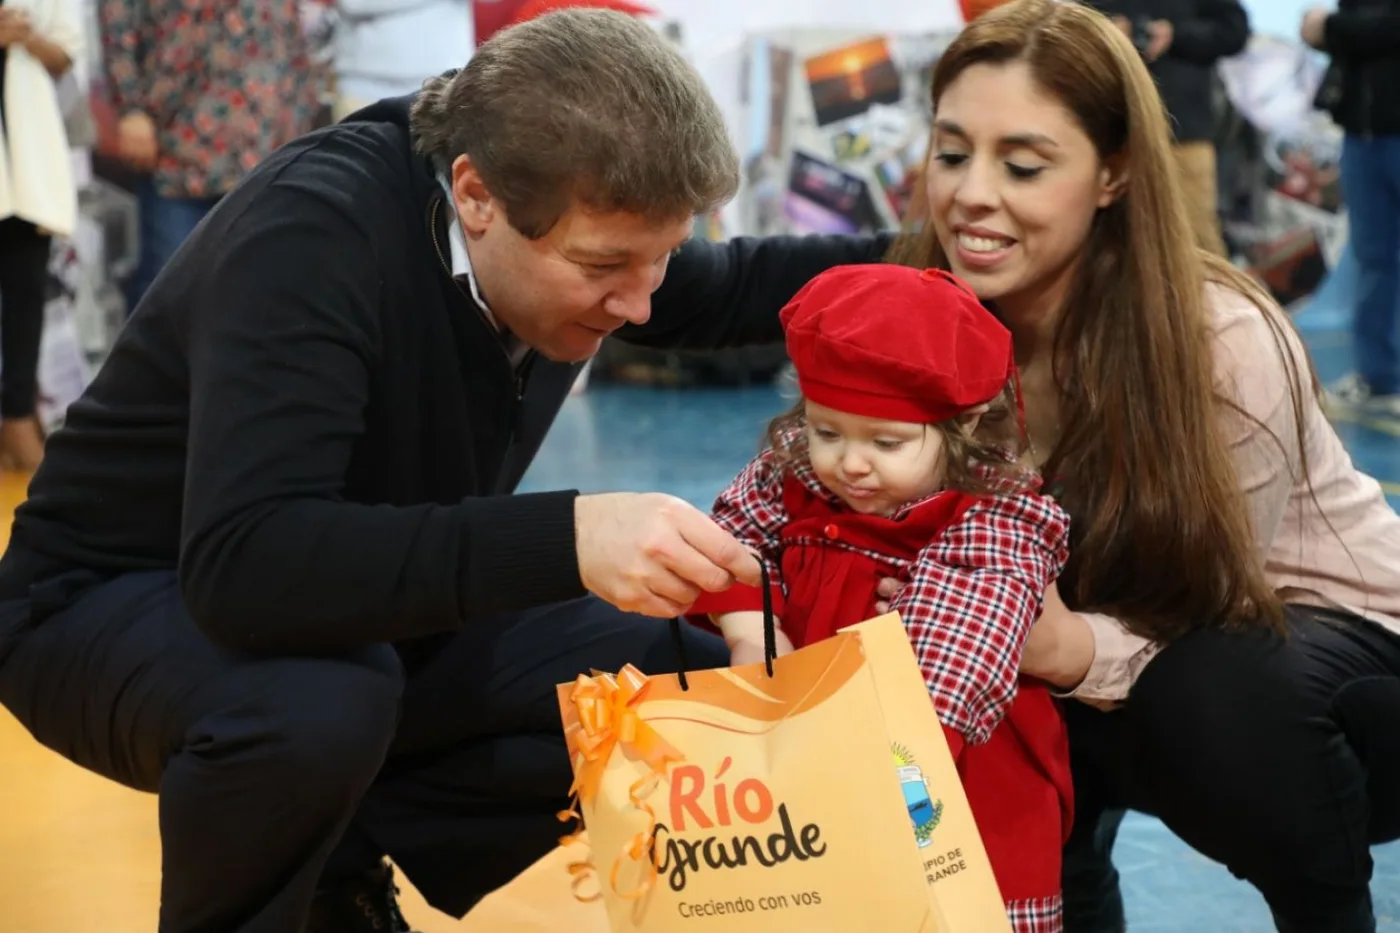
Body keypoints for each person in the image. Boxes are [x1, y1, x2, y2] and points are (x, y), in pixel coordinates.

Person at [0, 10, 892, 933]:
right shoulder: (314, 237)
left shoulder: (555, 205)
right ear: (476, 195)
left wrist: (949, 267)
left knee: (671, 682)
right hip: (112, 599)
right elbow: (247, 564)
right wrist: (570, 535)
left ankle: (331, 858)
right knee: (319, 701)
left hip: (346, 596)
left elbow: (739, 285)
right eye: (606, 266)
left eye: (662, 257)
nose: (640, 301)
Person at [871, 2, 1400, 931]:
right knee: (985, 693)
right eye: (952, 155)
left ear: (1114, 173)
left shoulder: (1219, 339)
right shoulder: (926, 313)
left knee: (1212, 690)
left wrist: (1059, 645)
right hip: (1127, 651)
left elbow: (1203, 602)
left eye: (1023, 164)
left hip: (1331, 656)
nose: (971, 194)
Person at [691, 262, 1074, 932]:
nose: (850, 462)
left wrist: (863, 773)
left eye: (887, 441)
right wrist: (754, 630)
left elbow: (952, 660)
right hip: (809, 758)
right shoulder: (793, 474)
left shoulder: (992, 516)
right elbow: (726, 543)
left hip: (946, 780)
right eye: (827, 429)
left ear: (966, 425)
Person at [100, 0, 323, 313]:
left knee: (265, 298)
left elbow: (290, 35)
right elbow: (117, 21)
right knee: (170, 299)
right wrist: (131, 108)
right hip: (175, 148)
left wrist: (302, 124)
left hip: (268, 149)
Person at [1081, 0, 1250, 258]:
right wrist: (1101, 31)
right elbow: (1061, 26)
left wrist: (1176, 34)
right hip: (1104, 127)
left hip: (1182, 132)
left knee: (1196, 242)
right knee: (1098, 241)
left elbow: (1234, 31)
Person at [1302, 1, 1400, 411]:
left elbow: (1379, 30)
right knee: (1372, 255)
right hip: (1362, 135)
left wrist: (1330, 27)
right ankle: (1379, 377)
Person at [0, 0, 82, 471]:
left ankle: (17, 415)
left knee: (26, 294)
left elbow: (65, 55)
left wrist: (25, 38)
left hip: (26, 154)